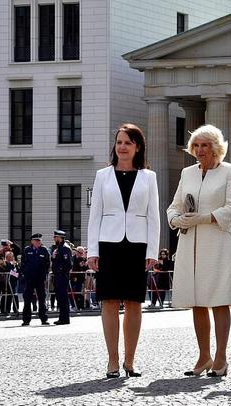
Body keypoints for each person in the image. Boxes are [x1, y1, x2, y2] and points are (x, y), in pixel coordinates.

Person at [168, 124, 231, 377]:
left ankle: (221, 356)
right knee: (197, 302)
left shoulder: (229, 171)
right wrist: (175, 219)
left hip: (218, 243)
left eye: (205, 145)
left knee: (218, 301)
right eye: (196, 145)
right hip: (190, 245)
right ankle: (203, 356)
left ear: (216, 147)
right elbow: (174, 206)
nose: (200, 150)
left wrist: (204, 218)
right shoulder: (187, 173)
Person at [87, 123, 160, 378]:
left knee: (134, 302)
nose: (122, 147)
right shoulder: (102, 176)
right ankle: (112, 361)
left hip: (137, 245)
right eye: (119, 142)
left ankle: (130, 360)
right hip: (108, 244)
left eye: (128, 142)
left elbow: (153, 216)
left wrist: (152, 251)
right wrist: (92, 251)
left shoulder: (149, 177)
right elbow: (94, 215)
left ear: (137, 147)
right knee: (108, 301)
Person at [21, 233, 51, 326]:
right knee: (27, 299)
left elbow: (47, 263)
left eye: (39, 241)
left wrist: (44, 273)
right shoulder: (27, 250)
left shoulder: (44, 250)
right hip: (29, 278)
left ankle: (43, 319)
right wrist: (25, 273)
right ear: (32, 241)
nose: (38, 242)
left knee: (42, 299)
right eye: (36, 241)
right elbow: (23, 263)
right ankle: (26, 320)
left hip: (40, 278)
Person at [51, 230, 73, 325]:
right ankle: (62, 317)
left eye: (56, 237)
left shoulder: (65, 248)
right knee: (60, 298)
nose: (54, 239)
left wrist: (60, 271)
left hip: (62, 276)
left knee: (63, 298)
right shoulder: (58, 248)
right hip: (58, 276)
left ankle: (65, 318)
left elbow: (68, 264)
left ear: (60, 238)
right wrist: (53, 257)